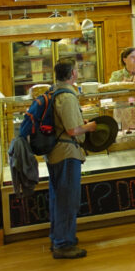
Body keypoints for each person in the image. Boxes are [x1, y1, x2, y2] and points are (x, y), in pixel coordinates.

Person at [47, 61, 96, 259]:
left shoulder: (54, 91)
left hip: (57, 153)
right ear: (73, 74)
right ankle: (64, 244)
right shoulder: (66, 96)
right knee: (68, 200)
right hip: (66, 153)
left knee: (59, 198)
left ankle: (58, 238)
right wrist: (90, 127)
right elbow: (71, 130)